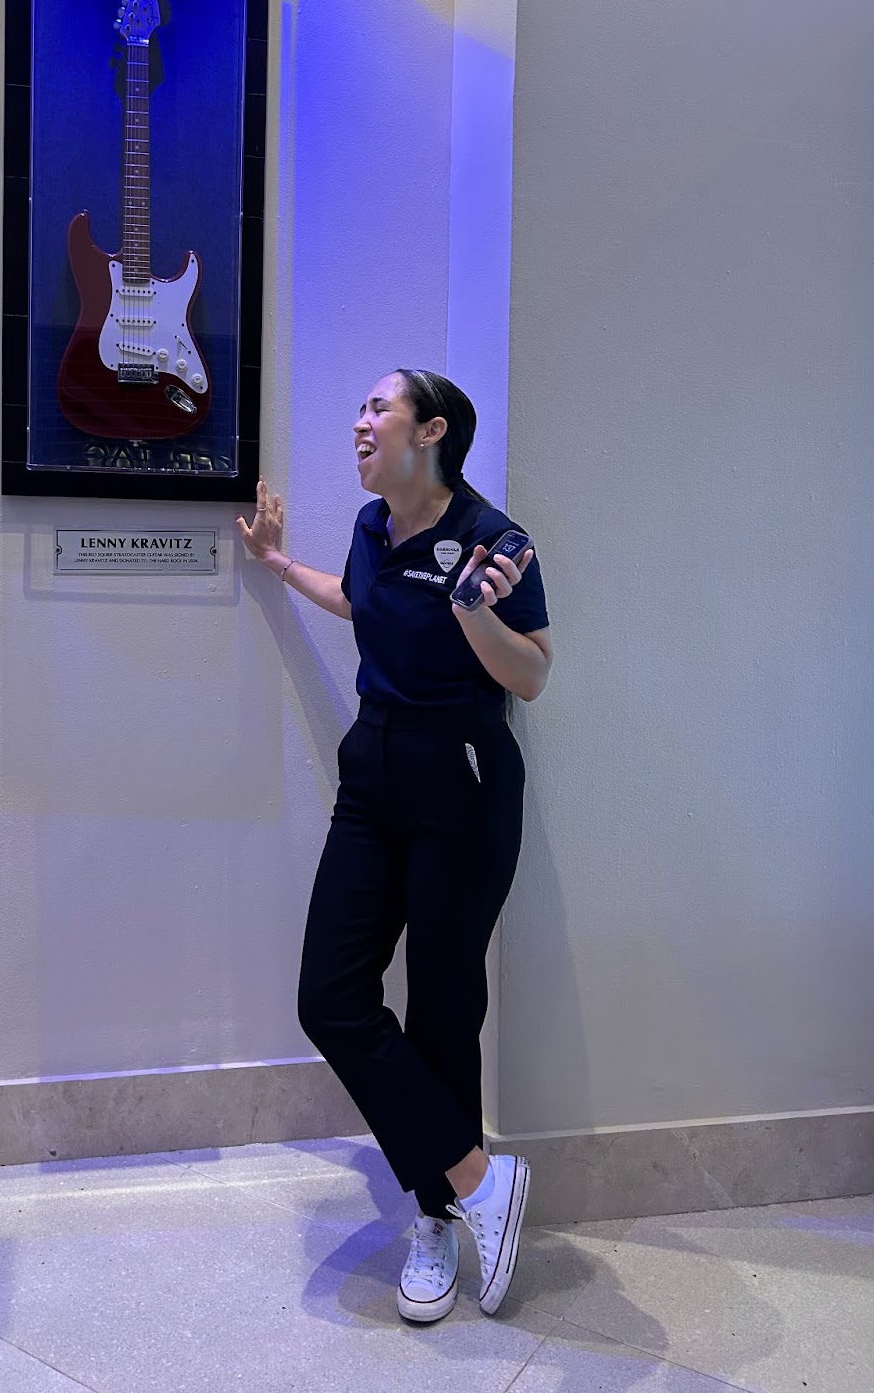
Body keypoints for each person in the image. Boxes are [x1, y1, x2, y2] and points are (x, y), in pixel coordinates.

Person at [237, 368, 552, 1324]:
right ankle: (477, 1181)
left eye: (378, 407)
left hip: (461, 780)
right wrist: (284, 567)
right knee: (330, 996)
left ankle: (435, 1220)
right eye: (361, 406)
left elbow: (534, 674)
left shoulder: (498, 542)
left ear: (434, 431)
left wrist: (472, 611)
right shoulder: (376, 526)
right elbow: (363, 601)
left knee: (444, 1008)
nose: (360, 422)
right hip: (373, 775)